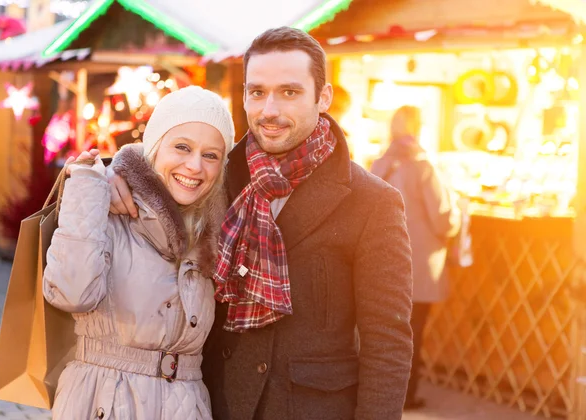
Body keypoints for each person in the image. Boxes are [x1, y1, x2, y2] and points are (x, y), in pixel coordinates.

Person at [108, 27, 413, 419]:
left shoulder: (373, 201)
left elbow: (387, 344)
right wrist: (111, 174)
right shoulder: (218, 177)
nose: (269, 110)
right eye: (257, 92)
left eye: (289, 92)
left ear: (323, 98)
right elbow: (156, 168)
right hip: (214, 405)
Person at [43, 86, 235, 420]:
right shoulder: (110, 207)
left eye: (210, 155)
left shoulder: (213, 235)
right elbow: (71, 294)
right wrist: (86, 188)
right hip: (104, 401)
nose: (194, 166)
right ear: (155, 147)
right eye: (182, 147)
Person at [371, 105, 461, 410]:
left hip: (381, 262)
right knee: (412, 332)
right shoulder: (424, 167)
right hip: (418, 265)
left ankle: (382, 395)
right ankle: (406, 397)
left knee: (384, 332)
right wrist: (459, 214)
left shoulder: (379, 165)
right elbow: (444, 219)